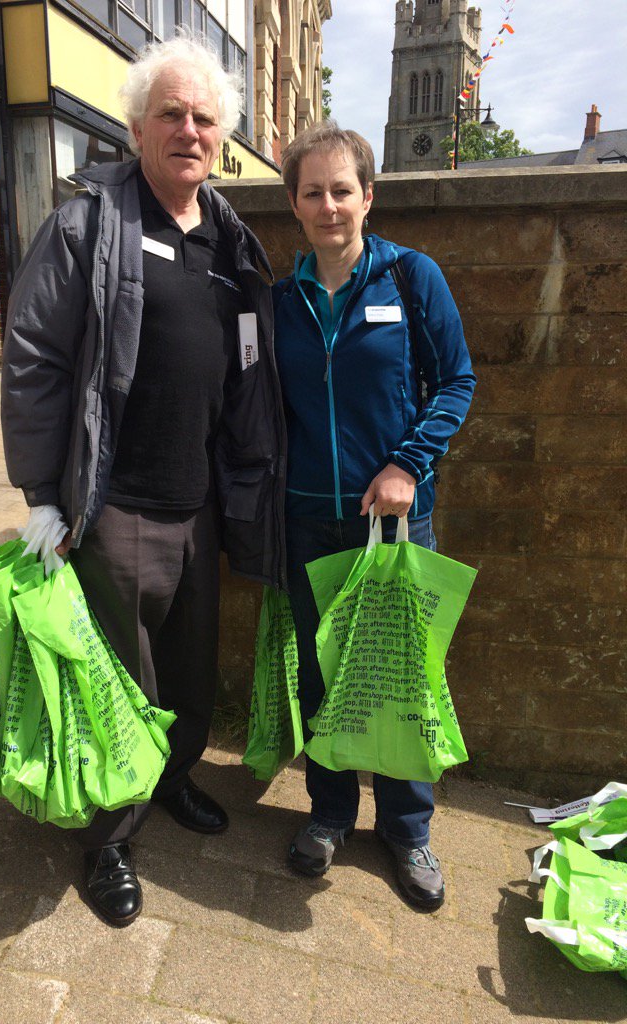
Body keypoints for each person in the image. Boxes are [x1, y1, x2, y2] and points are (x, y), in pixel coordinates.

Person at [1, 36, 286, 928]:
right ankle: (108, 838)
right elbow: (35, 358)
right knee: (118, 680)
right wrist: (43, 496)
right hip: (114, 503)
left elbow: (247, 373)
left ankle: (171, 777)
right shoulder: (86, 226)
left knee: (190, 670)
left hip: (201, 503)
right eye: (171, 114)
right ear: (135, 128)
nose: (189, 130)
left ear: (221, 136)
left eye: (204, 117)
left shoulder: (232, 243)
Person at [273, 121, 476, 910]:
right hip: (309, 520)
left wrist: (406, 465)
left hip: (390, 523)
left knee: (400, 678)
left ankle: (407, 829)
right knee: (320, 674)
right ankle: (328, 813)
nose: (329, 206)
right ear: (295, 203)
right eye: (313, 192)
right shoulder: (282, 300)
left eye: (342, 190)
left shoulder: (410, 278)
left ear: (368, 196)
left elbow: (455, 381)